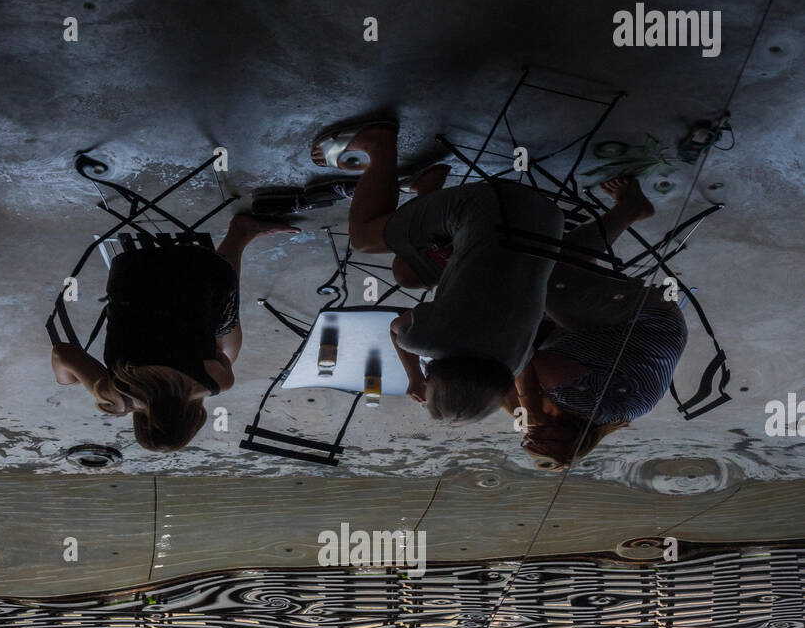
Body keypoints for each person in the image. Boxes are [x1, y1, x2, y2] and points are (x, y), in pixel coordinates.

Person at [311, 119, 565, 421]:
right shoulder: (432, 342)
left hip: (545, 221)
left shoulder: (514, 362)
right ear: (441, 384)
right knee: (365, 239)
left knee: (408, 275)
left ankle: (427, 188)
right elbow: (396, 328)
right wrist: (414, 377)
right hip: (488, 206)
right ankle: (378, 145)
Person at [51, 212, 297, 452]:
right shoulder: (114, 395)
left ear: (192, 421)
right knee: (208, 338)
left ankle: (240, 233)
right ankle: (239, 235)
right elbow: (62, 352)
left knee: (223, 349)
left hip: (201, 267)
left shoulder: (216, 384)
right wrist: (67, 380)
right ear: (140, 424)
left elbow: (218, 349)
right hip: (131, 269)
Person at [507, 176, 689, 469]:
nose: (530, 432)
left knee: (558, 270)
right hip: (642, 317)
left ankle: (628, 213)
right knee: (545, 280)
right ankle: (629, 210)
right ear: (571, 438)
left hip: (633, 332)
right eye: (540, 438)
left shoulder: (605, 417)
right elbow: (523, 357)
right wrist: (530, 409)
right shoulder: (582, 401)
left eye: (529, 439)